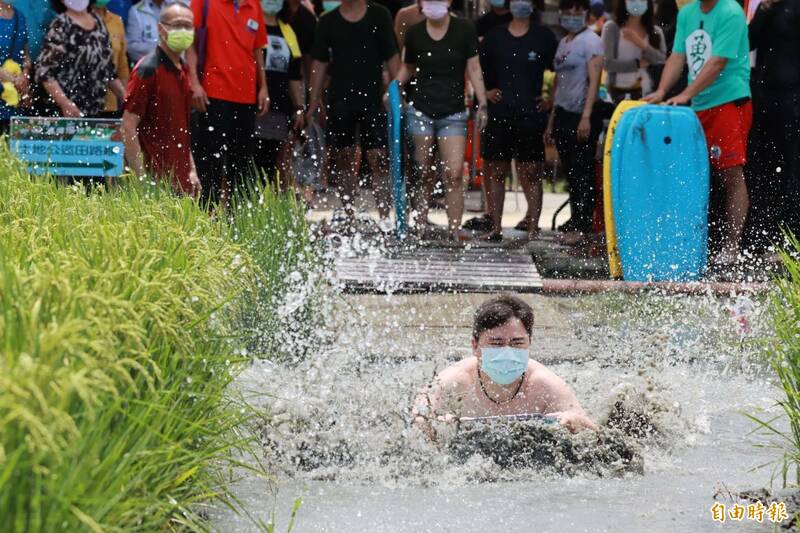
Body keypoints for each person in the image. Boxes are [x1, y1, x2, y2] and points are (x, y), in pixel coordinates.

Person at [644, 0, 751, 266]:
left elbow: (717, 63)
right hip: (697, 106)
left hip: (728, 101)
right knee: (689, 175)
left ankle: (732, 246)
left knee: (730, 174)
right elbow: (677, 56)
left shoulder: (731, 12)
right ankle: (688, 243)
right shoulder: (688, 13)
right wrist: (661, 91)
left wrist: (685, 95)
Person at [412, 295, 598, 441]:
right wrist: (434, 427)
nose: (507, 352)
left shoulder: (545, 384)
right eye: (496, 343)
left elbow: (593, 432)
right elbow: (417, 418)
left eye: (517, 343)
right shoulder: (454, 381)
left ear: (529, 343)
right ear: (475, 346)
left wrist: (574, 423)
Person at [394, 0, 487, 241]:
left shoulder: (465, 29)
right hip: (421, 111)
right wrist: (393, 89)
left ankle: (454, 230)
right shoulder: (414, 33)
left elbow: (474, 68)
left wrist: (483, 102)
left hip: (453, 113)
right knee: (422, 170)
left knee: (454, 173)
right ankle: (420, 225)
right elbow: (408, 68)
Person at [307, 0, 400, 228]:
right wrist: (313, 101)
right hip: (340, 100)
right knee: (343, 158)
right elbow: (319, 63)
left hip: (374, 99)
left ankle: (384, 217)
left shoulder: (380, 15)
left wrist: (399, 94)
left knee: (379, 158)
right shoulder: (327, 22)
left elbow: (392, 56)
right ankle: (348, 214)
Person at [479, 0, 557, 241]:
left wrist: (549, 99)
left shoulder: (544, 37)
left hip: (530, 115)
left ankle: (533, 228)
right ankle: (495, 226)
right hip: (500, 112)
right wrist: (486, 93)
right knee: (496, 170)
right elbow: (476, 69)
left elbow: (560, 71)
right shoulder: (494, 36)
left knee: (532, 170)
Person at [186, 0, 269, 206]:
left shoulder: (254, 5)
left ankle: (238, 222)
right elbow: (190, 44)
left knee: (241, 167)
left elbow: (257, 48)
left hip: (246, 97)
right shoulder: (203, 2)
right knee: (210, 165)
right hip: (212, 93)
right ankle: (206, 220)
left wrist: (263, 87)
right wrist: (195, 83)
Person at [122, 2, 201, 196]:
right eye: (177, 25)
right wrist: (140, 179)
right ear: (160, 28)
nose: (183, 30)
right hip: (155, 181)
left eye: (188, 26)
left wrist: (192, 170)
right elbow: (128, 126)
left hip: (181, 181)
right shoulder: (147, 69)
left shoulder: (183, 70)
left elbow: (182, 128)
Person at [545, 0, 604, 245]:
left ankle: (583, 223)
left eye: (577, 11)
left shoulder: (592, 41)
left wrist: (586, 116)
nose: (572, 16)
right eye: (567, 11)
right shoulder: (563, 42)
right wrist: (551, 122)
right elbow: (558, 83)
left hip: (583, 113)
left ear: (586, 14)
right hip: (563, 113)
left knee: (583, 170)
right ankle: (575, 217)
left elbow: (594, 81)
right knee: (570, 171)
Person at [745, 0, 800, 254]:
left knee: (791, 169)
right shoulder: (766, 7)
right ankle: (763, 236)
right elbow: (747, 42)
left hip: (793, 97)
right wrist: (764, 10)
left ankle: (791, 238)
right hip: (765, 95)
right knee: (763, 167)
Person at [36, 0, 125, 119]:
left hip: (94, 112)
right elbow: (44, 72)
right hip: (65, 115)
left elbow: (107, 70)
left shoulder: (98, 23)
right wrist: (65, 104)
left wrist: (125, 97)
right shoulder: (61, 24)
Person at [254, 0, 305, 189]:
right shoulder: (252, 25)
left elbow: (294, 75)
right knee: (250, 161)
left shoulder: (288, 31)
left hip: (279, 109)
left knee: (272, 162)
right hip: (252, 107)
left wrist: (299, 107)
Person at [602, 0, 666, 103]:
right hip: (617, 93)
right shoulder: (611, 28)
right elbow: (607, 64)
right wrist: (637, 64)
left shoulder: (656, 31)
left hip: (648, 94)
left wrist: (642, 44)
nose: (637, 2)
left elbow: (662, 61)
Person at [93, 0, 129, 115]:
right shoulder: (73, 22)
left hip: (110, 104)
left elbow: (122, 67)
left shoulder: (116, 21)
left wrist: (127, 102)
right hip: (79, 106)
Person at [0, 1, 30, 133]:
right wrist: (14, 80)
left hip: (14, 95)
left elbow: (25, 53)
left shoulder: (20, 16)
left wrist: (25, 75)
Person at [278, 0, 317, 84]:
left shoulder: (308, 19)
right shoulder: (270, 11)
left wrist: (313, 94)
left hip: (292, 85)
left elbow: (309, 63)